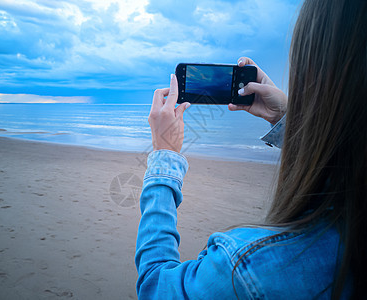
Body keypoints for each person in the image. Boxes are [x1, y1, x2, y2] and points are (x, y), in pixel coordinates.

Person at [135, 0, 366, 298]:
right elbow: (344, 172)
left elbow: (156, 287)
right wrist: (286, 119)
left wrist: (165, 154)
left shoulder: (251, 269)